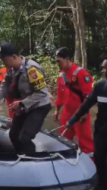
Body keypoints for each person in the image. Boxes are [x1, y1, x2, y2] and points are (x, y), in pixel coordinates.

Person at [0, 42, 51, 153]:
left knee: (24, 137)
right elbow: (5, 84)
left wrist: (20, 103)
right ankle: (21, 155)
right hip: (25, 105)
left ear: (14, 57)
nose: (2, 62)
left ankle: (32, 160)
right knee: (13, 134)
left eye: (4, 59)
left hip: (39, 106)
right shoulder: (11, 69)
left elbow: (42, 93)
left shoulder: (31, 69)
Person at [63, 59, 107, 190]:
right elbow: (86, 105)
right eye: (103, 68)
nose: (103, 71)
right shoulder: (100, 86)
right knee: (99, 158)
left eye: (106, 68)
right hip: (101, 130)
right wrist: (72, 121)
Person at [53, 47, 94, 156]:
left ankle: (92, 166)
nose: (58, 64)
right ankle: (65, 163)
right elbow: (60, 95)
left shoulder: (81, 74)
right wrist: (57, 110)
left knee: (85, 143)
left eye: (59, 61)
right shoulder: (61, 76)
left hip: (80, 112)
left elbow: (89, 96)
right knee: (62, 140)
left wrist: (84, 112)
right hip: (67, 113)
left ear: (67, 59)